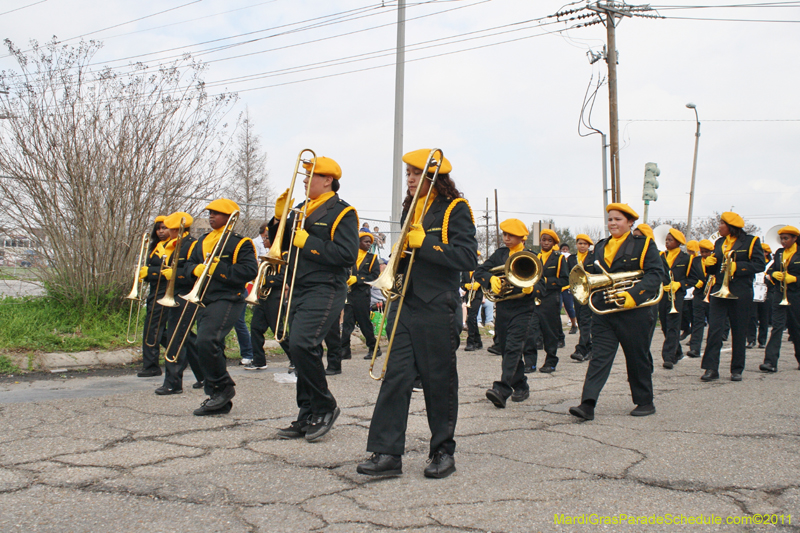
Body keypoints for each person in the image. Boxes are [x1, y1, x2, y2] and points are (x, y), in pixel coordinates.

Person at [357, 149, 477, 479]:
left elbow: (467, 257)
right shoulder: (410, 208)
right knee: (395, 376)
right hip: (405, 304)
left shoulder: (456, 208)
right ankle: (386, 452)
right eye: (408, 173)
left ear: (435, 177)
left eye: (416, 173)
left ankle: (442, 451)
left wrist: (425, 245)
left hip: (437, 305)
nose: (409, 179)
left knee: (438, 381)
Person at [270, 156, 358, 442]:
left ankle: (325, 406)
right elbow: (279, 245)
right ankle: (306, 413)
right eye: (305, 175)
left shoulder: (343, 212)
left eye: (311, 176)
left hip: (326, 286)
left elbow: (346, 255)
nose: (305, 180)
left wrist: (308, 242)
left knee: (302, 343)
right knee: (295, 348)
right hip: (299, 286)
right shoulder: (299, 210)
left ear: (328, 180)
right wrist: (277, 219)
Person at [569, 203, 662, 420]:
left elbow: (655, 274)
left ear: (630, 223)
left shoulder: (644, 244)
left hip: (634, 313)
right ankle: (587, 404)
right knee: (599, 358)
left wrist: (634, 295)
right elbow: (589, 275)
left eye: (618, 219)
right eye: (610, 219)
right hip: (605, 311)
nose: (613, 223)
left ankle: (645, 401)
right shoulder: (600, 246)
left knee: (636, 358)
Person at [186, 198, 258, 415]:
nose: (211, 216)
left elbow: (249, 271)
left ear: (230, 218)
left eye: (216, 213)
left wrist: (219, 269)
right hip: (205, 298)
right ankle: (217, 397)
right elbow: (187, 264)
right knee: (206, 344)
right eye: (210, 213)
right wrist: (194, 270)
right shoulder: (202, 240)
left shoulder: (240, 242)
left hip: (228, 298)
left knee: (207, 340)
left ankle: (223, 389)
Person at [475, 218, 537, 408]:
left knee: (513, 347)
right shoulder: (500, 254)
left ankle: (502, 389)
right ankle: (521, 385)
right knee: (506, 348)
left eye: (511, 235)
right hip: (503, 308)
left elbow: (540, 282)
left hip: (523, 309)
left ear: (522, 237)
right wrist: (490, 278)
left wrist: (531, 289)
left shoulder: (531, 256)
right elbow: (479, 272)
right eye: (505, 234)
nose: (506, 238)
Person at [700, 212, 766, 382]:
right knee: (714, 330)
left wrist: (738, 266)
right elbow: (716, 269)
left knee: (738, 331)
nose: (719, 226)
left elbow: (759, 264)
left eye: (721, 223)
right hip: (719, 291)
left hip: (740, 292)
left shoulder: (751, 241)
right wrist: (710, 266)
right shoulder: (719, 242)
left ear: (731, 225)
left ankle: (737, 369)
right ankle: (711, 368)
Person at [157, 212, 205, 394]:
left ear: (176, 229)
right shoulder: (174, 245)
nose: (166, 231)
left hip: (187, 295)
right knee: (187, 338)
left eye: (169, 228)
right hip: (176, 294)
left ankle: (173, 382)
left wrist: (175, 275)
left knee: (175, 338)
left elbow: (195, 271)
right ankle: (204, 375)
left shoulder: (192, 244)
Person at [761, 226, 800, 372]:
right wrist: (774, 274)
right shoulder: (779, 253)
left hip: (796, 296)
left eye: (786, 238)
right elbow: (771, 269)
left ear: (795, 238)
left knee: (796, 328)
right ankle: (770, 362)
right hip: (779, 294)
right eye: (781, 239)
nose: (783, 241)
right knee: (777, 327)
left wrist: (794, 279)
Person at [658, 228, 697, 369]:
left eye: (670, 240)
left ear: (678, 242)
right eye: (666, 240)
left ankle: (668, 357)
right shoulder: (661, 256)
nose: (667, 242)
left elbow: (693, 278)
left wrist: (679, 284)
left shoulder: (686, 258)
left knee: (673, 326)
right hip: (663, 295)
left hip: (677, 296)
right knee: (664, 326)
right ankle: (678, 351)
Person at [340, 232, 381, 363]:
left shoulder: (372, 258)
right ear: (358, 242)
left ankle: (374, 348)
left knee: (364, 324)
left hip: (362, 295)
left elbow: (374, 276)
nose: (368, 244)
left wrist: (357, 279)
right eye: (366, 241)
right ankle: (345, 350)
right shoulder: (350, 257)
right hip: (349, 294)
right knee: (347, 324)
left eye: (370, 242)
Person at [137, 215, 170, 378]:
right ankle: (188, 352)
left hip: (165, 291)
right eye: (158, 228)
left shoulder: (171, 247)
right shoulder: (154, 247)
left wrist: (150, 272)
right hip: (154, 291)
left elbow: (170, 271)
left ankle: (151, 365)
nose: (161, 231)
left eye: (164, 228)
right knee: (157, 329)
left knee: (153, 328)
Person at [533, 229, 569, 373]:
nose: (546, 242)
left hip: (551, 297)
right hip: (536, 297)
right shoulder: (536, 257)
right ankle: (531, 362)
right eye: (543, 239)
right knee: (533, 330)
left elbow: (564, 279)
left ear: (554, 243)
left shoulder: (559, 258)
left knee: (550, 330)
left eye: (549, 240)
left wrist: (546, 281)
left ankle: (551, 360)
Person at [246, 258, 291, 372]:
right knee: (255, 328)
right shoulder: (267, 257)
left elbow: (284, 278)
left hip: (275, 297)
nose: (263, 240)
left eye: (265, 238)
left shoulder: (283, 256)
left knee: (278, 331)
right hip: (263, 297)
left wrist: (265, 280)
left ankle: (296, 359)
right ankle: (259, 361)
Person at [687, 239, 715, 358]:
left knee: (712, 323)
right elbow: (689, 276)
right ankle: (695, 348)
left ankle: (711, 348)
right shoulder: (695, 261)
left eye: (706, 252)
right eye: (702, 252)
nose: (704, 254)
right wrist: (695, 282)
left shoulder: (715, 261)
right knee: (697, 321)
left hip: (713, 295)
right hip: (699, 294)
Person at [569, 234, 595, 362]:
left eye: (585, 244)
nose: (582, 246)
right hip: (577, 292)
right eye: (580, 243)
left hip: (589, 292)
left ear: (589, 245)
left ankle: (581, 349)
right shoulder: (571, 259)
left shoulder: (593, 257)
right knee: (581, 319)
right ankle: (589, 347)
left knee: (585, 319)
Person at [747, 243, 773, 349]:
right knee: (751, 317)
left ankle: (762, 340)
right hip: (753, 292)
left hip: (767, 293)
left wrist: (769, 278)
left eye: (763, 251)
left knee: (764, 317)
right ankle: (751, 340)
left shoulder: (772, 264)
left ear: (767, 253)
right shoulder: (754, 263)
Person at [461, 250, 484, 351]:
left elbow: (485, 280)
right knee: (472, 319)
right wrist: (466, 285)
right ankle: (478, 341)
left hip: (477, 296)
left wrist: (479, 284)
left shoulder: (481, 269)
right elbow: (461, 283)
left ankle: (470, 342)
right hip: (468, 297)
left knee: (471, 317)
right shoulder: (465, 269)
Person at [680, 240, 701, 340]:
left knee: (694, 315)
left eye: (692, 251)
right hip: (686, 290)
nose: (690, 253)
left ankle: (694, 337)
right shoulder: (685, 259)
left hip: (695, 290)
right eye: (689, 251)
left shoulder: (698, 260)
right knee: (684, 313)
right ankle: (686, 328)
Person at [560, 243, 578, 335]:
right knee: (557, 308)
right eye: (563, 249)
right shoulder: (558, 259)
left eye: (566, 249)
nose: (565, 251)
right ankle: (558, 329)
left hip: (567, 286)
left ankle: (574, 324)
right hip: (558, 287)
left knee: (569, 307)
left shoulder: (571, 259)